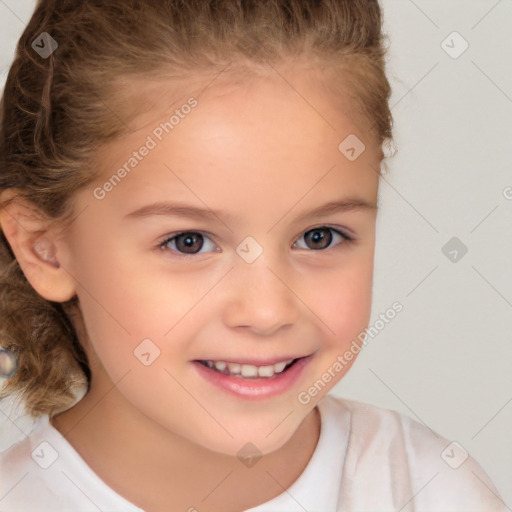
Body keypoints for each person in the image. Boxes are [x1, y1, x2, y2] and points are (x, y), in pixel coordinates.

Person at [0, 1, 506, 511]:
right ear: (44, 249)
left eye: (319, 237)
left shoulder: (430, 490)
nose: (268, 312)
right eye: (188, 242)